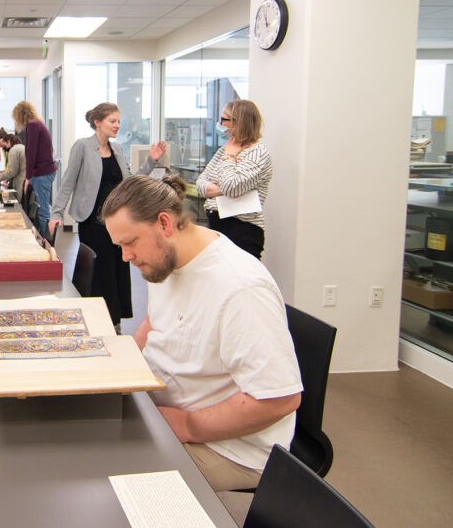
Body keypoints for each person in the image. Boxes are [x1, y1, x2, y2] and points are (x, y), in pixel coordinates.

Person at [101, 174, 302, 492]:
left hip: (230, 448)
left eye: (130, 242)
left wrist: (187, 425)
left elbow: (280, 398)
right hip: (163, 411)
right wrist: (118, 372)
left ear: (164, 224)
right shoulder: (166, 260)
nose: (125, 256)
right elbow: (153, 324)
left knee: (108, 481)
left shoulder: (240, 287)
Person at [48, 102, 166, 327]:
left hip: (117, 221)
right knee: (100, 270)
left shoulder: (118, 149)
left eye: (119, 122)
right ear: (97, 122)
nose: (117, 126)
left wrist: (151, 160)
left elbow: (130, 181)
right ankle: (94, 317)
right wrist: (56, 213)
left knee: (118, 268)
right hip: (92, 220)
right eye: (112, 121)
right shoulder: (82, 146)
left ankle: (114, 321)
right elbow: (68, 182)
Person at [195, 99, 273, 259]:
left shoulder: (257, 153)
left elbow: (232, 187)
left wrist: (230, 157)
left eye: (224, 119)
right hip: (217, 226)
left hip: (242, 229)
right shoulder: (223, 150)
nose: (220, 123)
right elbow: (201, 185)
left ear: (239, 123)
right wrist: (223, 188)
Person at [12, 101, 57, 233]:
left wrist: (28, 177)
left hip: (41, 173)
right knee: (43, 209)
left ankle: (45, 242)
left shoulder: (32, 126)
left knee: (43, 211)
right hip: (45, 171)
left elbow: (31, 153)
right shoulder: (39, 124)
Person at [0, 128, 25, 201]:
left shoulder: (13, 150)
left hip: (20, 183)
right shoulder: (20, 147)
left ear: (8, 142)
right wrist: (4, 172)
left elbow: (12, 171)